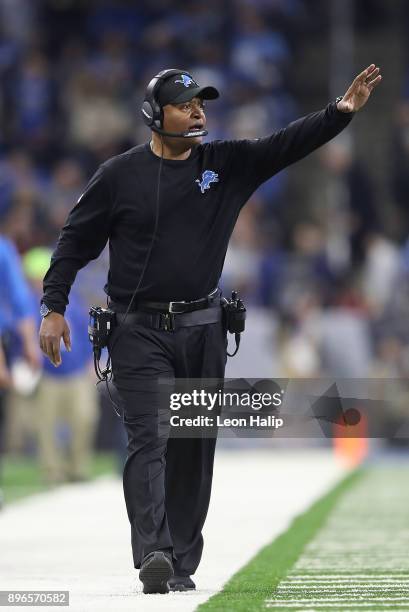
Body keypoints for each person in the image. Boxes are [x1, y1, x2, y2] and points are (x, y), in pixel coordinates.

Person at [39, 64, 382, 593]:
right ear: (156, 115)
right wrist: (53, 306)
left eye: (202, 103)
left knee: (194, 447)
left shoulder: (226, 164)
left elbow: (286, 143)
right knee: (149, 439)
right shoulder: (118, 176)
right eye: (185, 104)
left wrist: (340, 111)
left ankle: (180, 559)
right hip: (137, 330)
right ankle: (153, 552)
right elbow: (73, 242)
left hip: (203, 328)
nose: (199, 111)